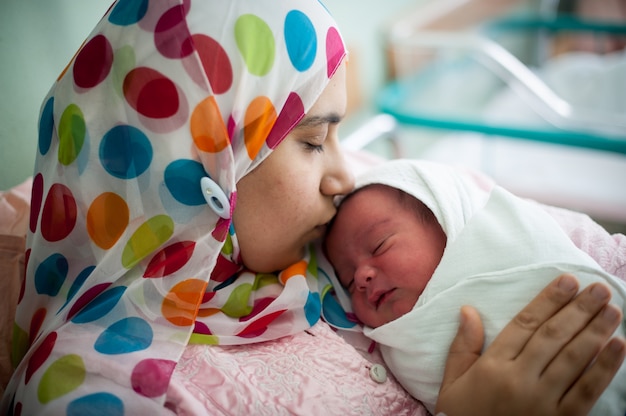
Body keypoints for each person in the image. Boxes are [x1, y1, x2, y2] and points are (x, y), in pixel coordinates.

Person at [1, 1, 624, 414]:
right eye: (312, 140)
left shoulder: (352, 217)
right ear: (209, 160)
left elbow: (582, 251)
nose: (344, 175)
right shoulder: (94, 390)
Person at [324, 158, 626, 415]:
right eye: (348, 282)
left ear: (447, 218)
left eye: (379, 245)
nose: (361, 277)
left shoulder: (510, 245)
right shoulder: (399, 353)